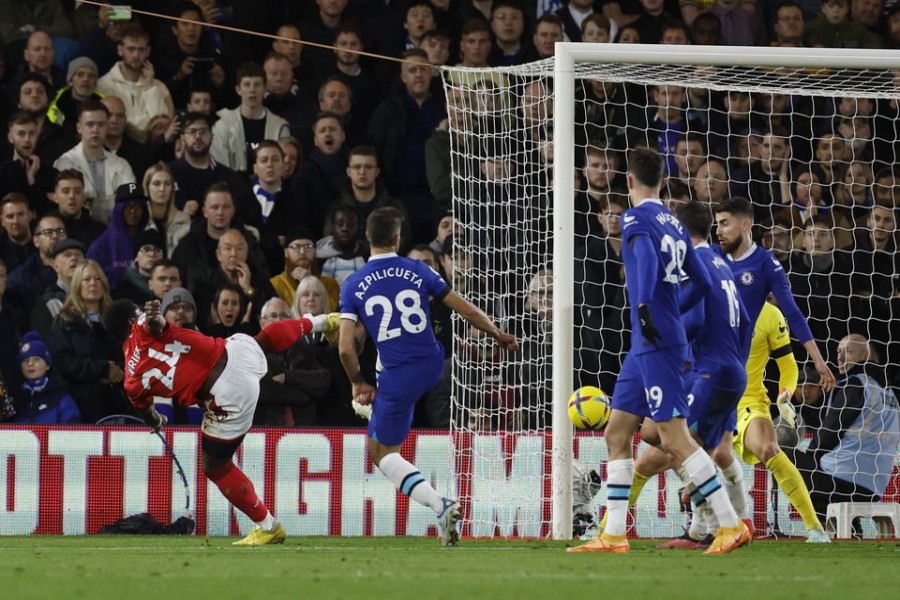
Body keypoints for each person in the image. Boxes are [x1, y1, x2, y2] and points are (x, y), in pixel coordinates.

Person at [569, 148, 749, 555]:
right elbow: (701, 283)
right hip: (646, 341)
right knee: (616, 432)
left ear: (629, 182)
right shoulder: (676, 224)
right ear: (662, 182)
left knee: (674, 438)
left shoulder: (633, 217)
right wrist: (668, 312)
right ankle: (614, 534)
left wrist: (650, 307)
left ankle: (731, 524)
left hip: (656, 341)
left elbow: (647, 262)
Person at [337, 207, 517, 546]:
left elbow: (346, 349)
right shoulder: (418, 269)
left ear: (366, 238)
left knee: (382, 453)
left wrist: (358, 382)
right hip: (434, 362)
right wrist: (496, 333)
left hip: (400, 376)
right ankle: (378, 401)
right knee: (388, 366)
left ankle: (440, 504)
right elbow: (463, 307)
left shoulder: (354, 284)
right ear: (397, 238)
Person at [102, 297, 341, 545]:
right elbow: (153, 322)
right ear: (132, 320)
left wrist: (158, 420)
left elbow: (148, 414)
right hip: (235, 354)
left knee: (215, 466)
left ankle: (268, 526)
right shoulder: (142, 325)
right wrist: (152, 317)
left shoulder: (131, 382)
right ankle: (323, 321)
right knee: (261, 341)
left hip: (229, 393)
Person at [714, 196, 836, 390]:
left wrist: (819, 360)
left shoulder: (766, 264)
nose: (718, 231)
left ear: (745, 225)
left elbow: (793, 313)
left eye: (724, 224)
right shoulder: (711, 254)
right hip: (702, 356)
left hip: (737, 361)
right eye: (717, 224)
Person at [791, 334, 900, 527]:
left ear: (866, 356)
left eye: (848, 351)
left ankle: (821, 526)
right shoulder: (890, 395)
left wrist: (809, 459)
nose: (840, 358)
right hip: (875, 488)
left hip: (839, 482)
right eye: (838, 352)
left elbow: (826, 437)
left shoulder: (856, 385)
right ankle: (849, 528)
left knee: (780, 456)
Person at [12, 331, 81, 424]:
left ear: (47, 365)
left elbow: (73, 430)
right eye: (25, 360)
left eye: (36, 359)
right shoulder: (16, 399)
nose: (30, 364)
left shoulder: (61, 397)